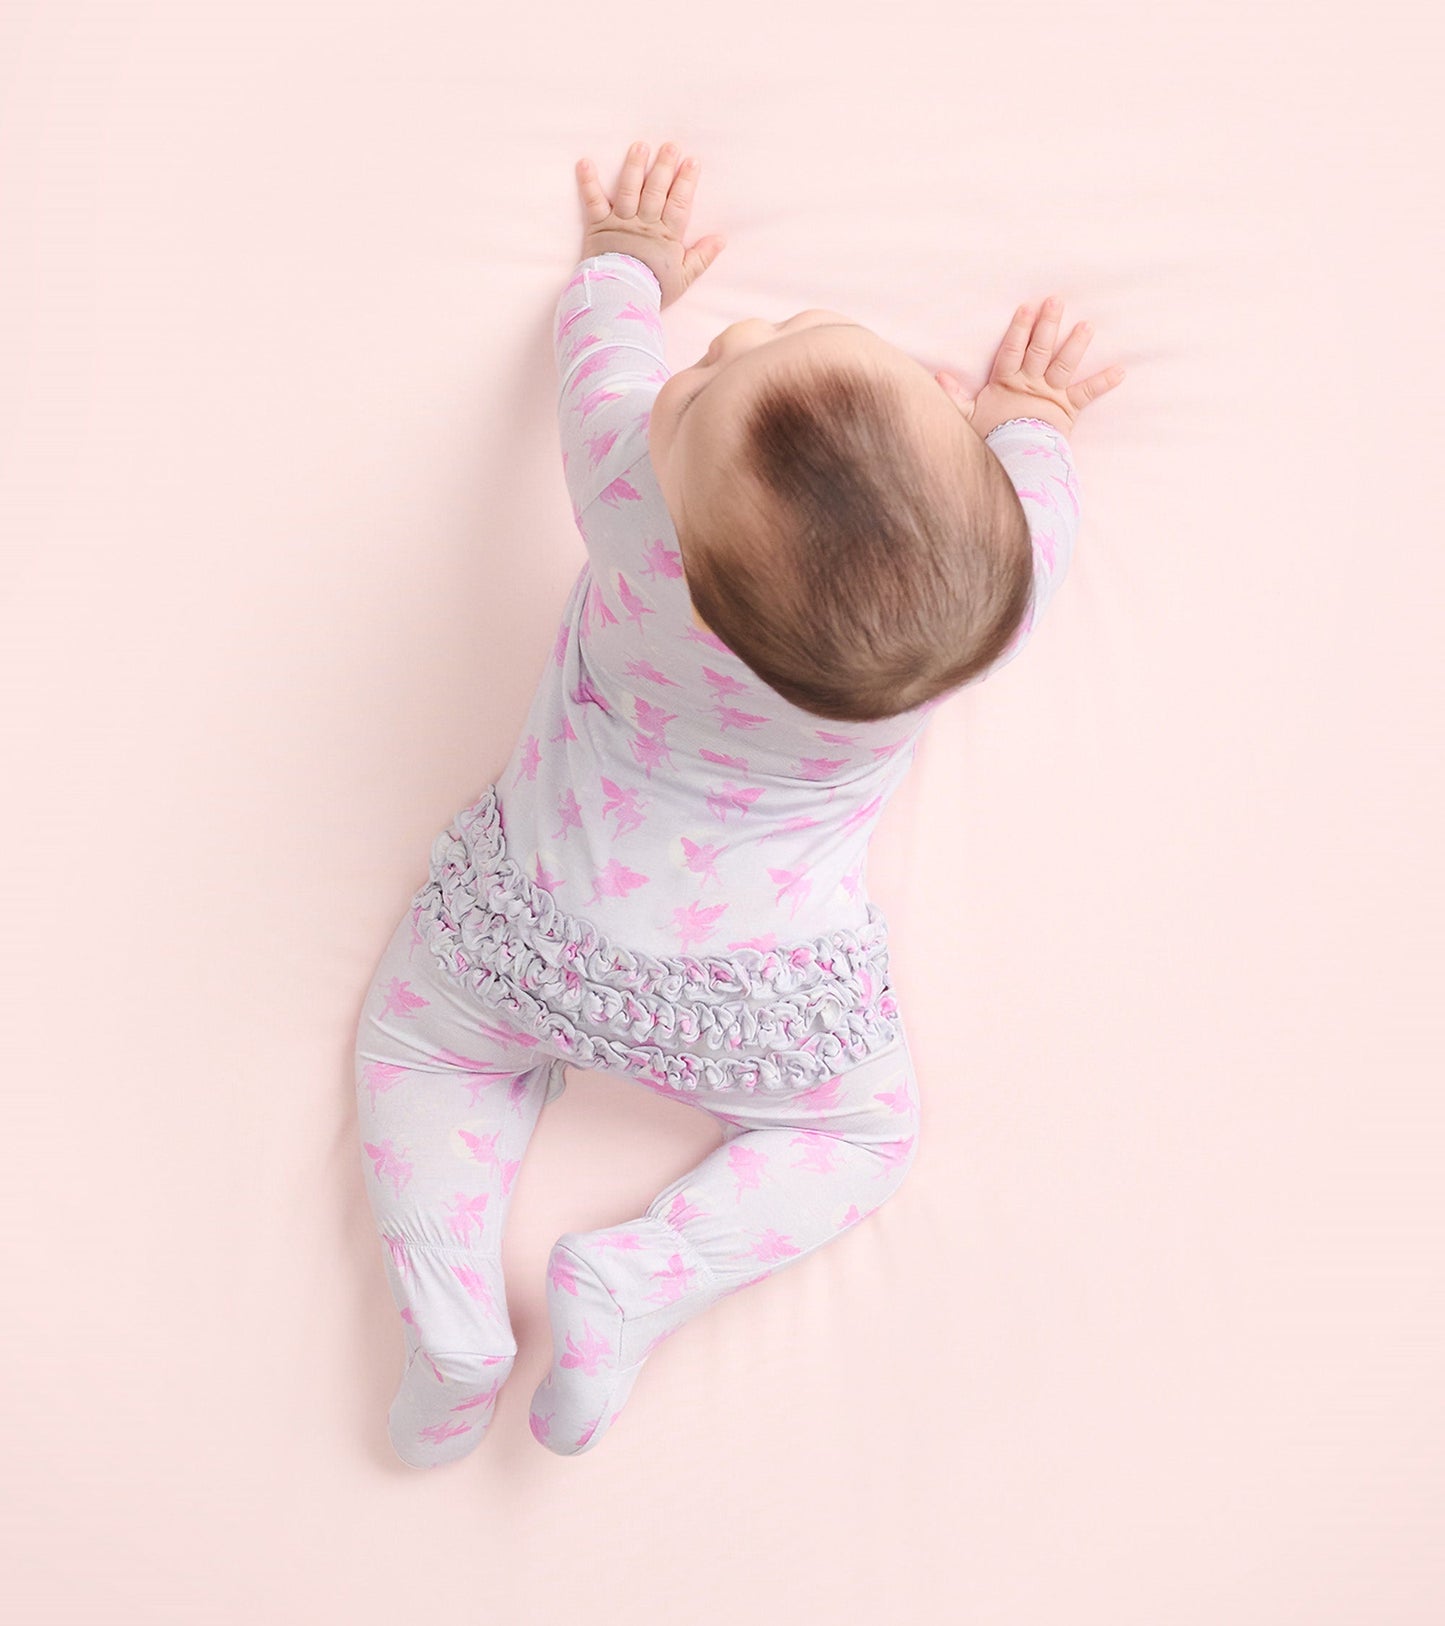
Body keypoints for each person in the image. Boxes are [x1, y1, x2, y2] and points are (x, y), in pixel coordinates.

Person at [354, 137, 1125, 1466]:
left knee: (421, 1052)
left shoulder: (630, 507)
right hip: (756, 1000)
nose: (745, 331)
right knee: (864, 1136)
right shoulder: (987, 613)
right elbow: (1031, 509)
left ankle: (452, 1319)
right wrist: (1026, 419)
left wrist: (624, 272)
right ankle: (639, 1276)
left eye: (717, 369)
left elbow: (599, 360)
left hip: (521, 922)